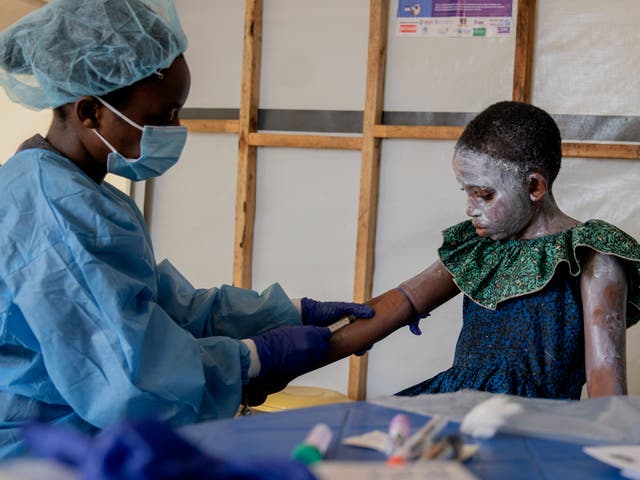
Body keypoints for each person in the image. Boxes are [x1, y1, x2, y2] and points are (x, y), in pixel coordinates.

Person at [0, 0, 372, 458]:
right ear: (88, 112)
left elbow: (163, 308)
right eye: (161, 118)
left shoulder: (83, 193)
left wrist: (288, 312)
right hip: (44, 453)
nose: (174, 131)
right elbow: (129, 381)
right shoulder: (56, 212)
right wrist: (254, 358)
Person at [325, 100, 640, 400]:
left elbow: (605, 379)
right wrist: (300, 349)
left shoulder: (590, 254)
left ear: (534, 187)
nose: (469, 209)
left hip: (528, 423)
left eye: (484, 195)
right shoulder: (480, 247)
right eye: (467, 192)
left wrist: (607, 445)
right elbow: (402, 301)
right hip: (452, 404)